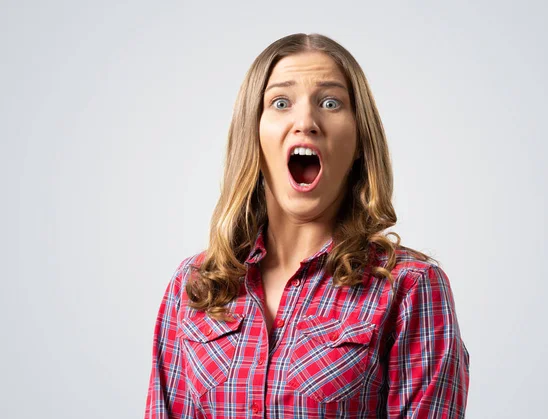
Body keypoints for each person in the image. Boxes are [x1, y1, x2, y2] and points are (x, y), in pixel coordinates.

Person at [144, 33, 470, 419]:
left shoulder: (410, 287)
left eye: (330, 103)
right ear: (254, 134)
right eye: (280, 103)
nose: (306, 122)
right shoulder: (194, 286)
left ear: (360, 140)